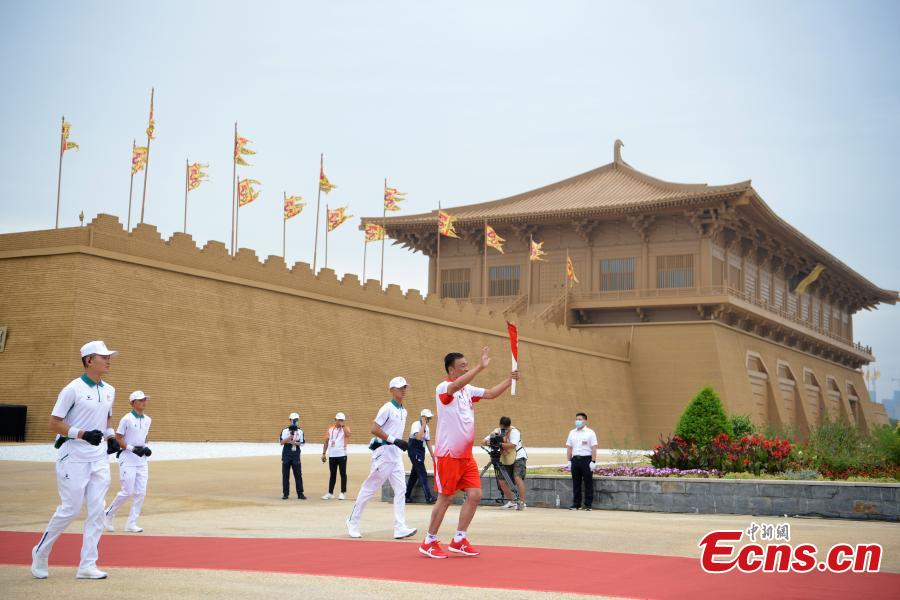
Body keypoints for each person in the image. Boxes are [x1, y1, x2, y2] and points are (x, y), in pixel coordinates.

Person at [31, 340, 121, 580]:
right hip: (73, 456)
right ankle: (41, 552)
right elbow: (54, 423)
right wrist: (81, 434)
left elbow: (106, 419)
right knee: (70, 509)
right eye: (104, 357)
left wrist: (111, 437)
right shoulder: (72, 389)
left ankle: (87, 565)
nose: (108, 360)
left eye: (109, 357)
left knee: (97, 511)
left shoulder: (110, 390)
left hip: (98, 458)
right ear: (89, 360)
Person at [419, 347, 519, 559]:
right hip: (448, 455)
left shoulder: (468, 390)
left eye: (467, 365)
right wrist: (480, 367)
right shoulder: (444, 388)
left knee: (475, 495)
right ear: (451, 370)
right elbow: (455, 386)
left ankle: (459, 539)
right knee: (445, 498)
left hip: (465, 456)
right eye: (462, 366)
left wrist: (509, 380)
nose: (466, 369)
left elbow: (490, 393)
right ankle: (429, 541)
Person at [346, 376, 417, 540]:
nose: (403, 390)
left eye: (405, 387)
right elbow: (374, 429)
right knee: (370, 488)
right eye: (400, 388)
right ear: (392, 390)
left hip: (395, 455)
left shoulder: (404, 411)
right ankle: (352, 521)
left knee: (401, 489)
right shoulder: (387, 408)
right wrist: (394, 440)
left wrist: (400, 443)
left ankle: (400, 527)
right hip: (384, 454)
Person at [103, 390, 153, 533]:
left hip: (141, 460)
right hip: (127, 458)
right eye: (140, 400)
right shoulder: (126, 419)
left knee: (141, 493)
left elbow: (144, 437)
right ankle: (107, 514)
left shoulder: (148, 419)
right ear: (132, 403)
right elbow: (118, 438)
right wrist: (132, 449)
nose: (143, 402)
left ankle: (132, 523)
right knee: (127, 491)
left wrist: (145, 448)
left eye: (144, 399)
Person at [483, 415, 528, 509]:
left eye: (506, 428)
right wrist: (489, 442)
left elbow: (513, 445)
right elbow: (485, 440)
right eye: (503, 427)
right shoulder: (497, 431)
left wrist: (500, 444)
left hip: (518, 457)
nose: (504, 430)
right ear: (500, 425)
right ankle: (511, 502)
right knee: (502, 481)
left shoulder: (514, 431)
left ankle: (522, 502)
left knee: (517, 478)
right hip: (505, 458)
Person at [566, 412, 598, 511]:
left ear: (585, 421)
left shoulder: (590, 432)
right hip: (575, 459)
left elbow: (594, 448)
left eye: (580, 419)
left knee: (588, 482)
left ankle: (588, 504)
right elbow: (569, 447)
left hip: (586, 460)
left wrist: (593, 461)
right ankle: (576, 504)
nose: (578, 421)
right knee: (576, 483)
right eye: (576, 419)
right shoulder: (572, 432)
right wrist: (569, 460)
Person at [404, 408, 435, 504]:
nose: (429, 419)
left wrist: (433, 455)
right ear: (423, 417)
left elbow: (428, 441)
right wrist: (423, 425)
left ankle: (406, 496)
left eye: (429, 418)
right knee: (422, 473)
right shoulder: (416, 424)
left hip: (421, 452)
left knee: (414, 475)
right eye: (427, 418)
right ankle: (428, 497)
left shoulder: (427, 428)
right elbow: (418, 437)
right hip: (414, 450)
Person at [321, 412, 350, 500]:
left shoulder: (345, 429)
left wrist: (343, 426)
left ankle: (342, 492)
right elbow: (326, 441)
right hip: (332, 455)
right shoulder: (330, 429)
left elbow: (348, 434)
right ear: (335, 420)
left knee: (343, 474)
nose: (340, 421)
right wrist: (323, 453)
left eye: (342, 420)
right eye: (339, 420)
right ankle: (330, 493)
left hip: (342, 454)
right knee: (332, 474)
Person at [280, 412, 306, 499]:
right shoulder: (285, 431)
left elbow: (302, 443)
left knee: (298, 474)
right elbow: (281, 442)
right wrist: (289, 437)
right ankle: (285, 494)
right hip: (286, 453)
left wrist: (295, 443)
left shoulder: (300, 431)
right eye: (294, 420)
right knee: (285, 475)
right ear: (290, 420)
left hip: (296, 454)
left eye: (297, 420)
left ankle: (300, 493)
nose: (295, 421)